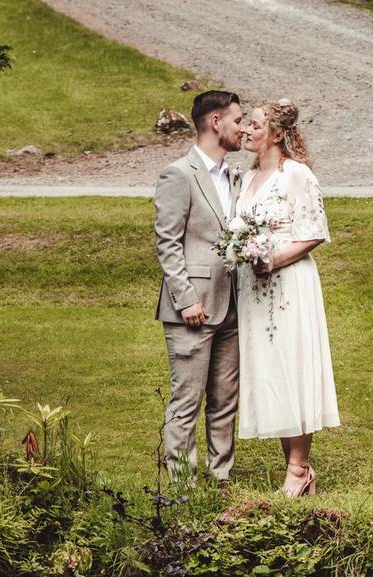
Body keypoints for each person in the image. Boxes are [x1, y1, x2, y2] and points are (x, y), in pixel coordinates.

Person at [235, 99, 340, 497]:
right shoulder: (246, 180)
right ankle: (300, 470)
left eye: (256, 124)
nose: (246, 129)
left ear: (277, 135)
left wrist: (273, 259)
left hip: (289, 284)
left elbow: (314, 233)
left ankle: (297, 469)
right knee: (272, 370)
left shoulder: (296, 175)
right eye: (246, 122)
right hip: (255, 290)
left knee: (293, 365)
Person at [154, 90, 243, 483]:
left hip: (233, 307)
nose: (243, 128)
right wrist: (186, 299)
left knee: (225, 400)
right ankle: (182, 488)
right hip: (192, 310)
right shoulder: (178, 174)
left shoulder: (236, 177)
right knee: (186, 400)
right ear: (215, 122)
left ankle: (220, 477)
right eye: (238, 120)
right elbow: (168, 242)